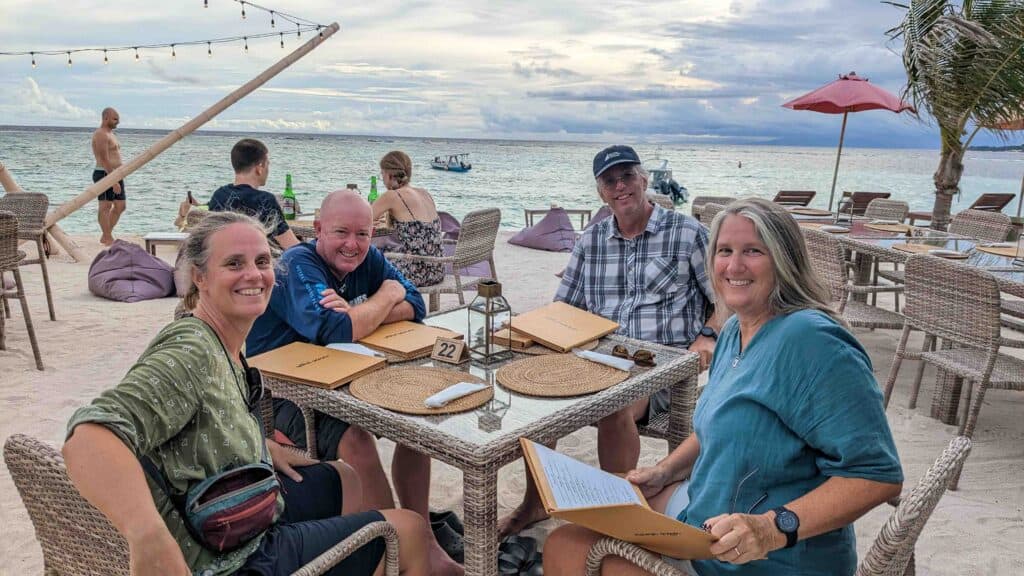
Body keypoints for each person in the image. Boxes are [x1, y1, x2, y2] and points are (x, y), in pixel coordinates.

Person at [543, 198, 904, 575]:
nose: (734, 266)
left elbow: (877, 476)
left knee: (565, 547)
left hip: (763, 556)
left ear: (784, 259)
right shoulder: (734, 329)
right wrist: (666, 471)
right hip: (707, 517)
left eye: (753, 251)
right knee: (589, 518)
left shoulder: (813, 343)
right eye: (724, 251)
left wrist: (770, 529)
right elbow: (715, 426)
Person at [63, 211, 433, 576]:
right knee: (410, 532)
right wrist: (148, 536)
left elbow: (210, 420)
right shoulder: (192, 350)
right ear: (199, 277)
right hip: (227, 554)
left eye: (261, 261)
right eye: (234, 263)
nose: (253, 274)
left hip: (231, 503)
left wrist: (261, 445)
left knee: (345, 477)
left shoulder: (226, 345)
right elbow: (90, 435)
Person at [499, 144, 725, 537]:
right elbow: (564, 308)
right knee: (535, 388)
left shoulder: (687, 232)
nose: (620, 186)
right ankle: (535, 504)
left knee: (614, 402)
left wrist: (708, 335)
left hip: (664, 369)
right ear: (600, 191)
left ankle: (616, 510)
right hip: (598, 357)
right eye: (610, 180)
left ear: (644, 180)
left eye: (627, 177)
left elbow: (724, 298)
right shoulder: (592, 239)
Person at [247, 189, 463, 575]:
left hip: (343, 376)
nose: (353, 244)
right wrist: (382, 299)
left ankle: (423, 540)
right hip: (281, 391)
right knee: (356, 440)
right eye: (342, 232)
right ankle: (398, 550)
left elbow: (416, 305)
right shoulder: (298, 263)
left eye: (363, 234)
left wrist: (362, 313)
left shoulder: (369, 257)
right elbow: (335, 328)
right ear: (317, 230)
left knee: (418, 426)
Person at [208, 138, 300, 251]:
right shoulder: (264, 200)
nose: (268, 169)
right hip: (258, 262)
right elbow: (292, 246)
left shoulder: (219, 195)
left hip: (224, 259)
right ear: (259, 168)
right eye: (267, 164)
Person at [371, 150, 444, 287]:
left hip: (413, 272)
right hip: (437, 270)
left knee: (368, 258)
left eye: (382, 174)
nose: (382, 179)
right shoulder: (425, 193)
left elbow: (361, 220)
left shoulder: (392, 195)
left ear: (390, 174)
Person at [91, 107, 125, 245]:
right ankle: (107, 237)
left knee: (120, 206)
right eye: (115, 119)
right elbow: (104, 159)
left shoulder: (111, 134)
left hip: (116, 174)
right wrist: (113, 181)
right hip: (105, 173)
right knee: (105, 206)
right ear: (105, 118)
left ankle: (106, 234)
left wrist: (117, 177)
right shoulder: (101, 134)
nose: (118, 122)